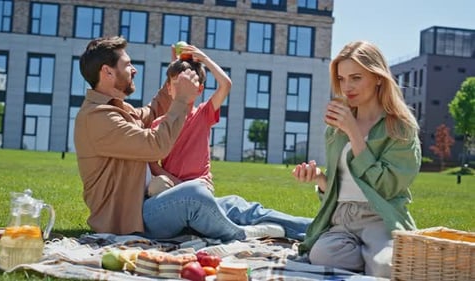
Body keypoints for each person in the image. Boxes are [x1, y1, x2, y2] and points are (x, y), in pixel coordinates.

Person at [75, 36, 312, 243]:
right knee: (194, 195)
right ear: (107, 72)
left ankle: (318, 228)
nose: (134, 69)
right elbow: (155, 146)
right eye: (127, 65)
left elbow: (155, 110)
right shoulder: (98, 118)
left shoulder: (117, 109)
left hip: (152, 204)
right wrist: (181, 99)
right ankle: (241, 234)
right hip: (129, 220)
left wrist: (175, 80)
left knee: (238, 205)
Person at [292, 41, 422, 278]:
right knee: (321, 255)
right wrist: (319, 177)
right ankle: (370, 256)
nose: (347, 87)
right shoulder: (335, 129)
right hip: (342, 219)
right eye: (341, 79)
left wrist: (354, 133)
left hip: (380, 217)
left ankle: (376, 255)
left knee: (385, 268)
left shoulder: (400, 128)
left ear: (378, 78)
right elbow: (340, 184)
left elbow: (388, 187)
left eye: (356, 78)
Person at [147, 45, 230, 196]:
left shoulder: (204, 113)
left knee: (198, 192)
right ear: (169, 88)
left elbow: (226, 84)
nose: (183, 88)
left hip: (199, 184)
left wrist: (204, 59)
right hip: (172, 184)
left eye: (190, 83)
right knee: (155, 186)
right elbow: (152, 163)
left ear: (199, 89)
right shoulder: (159, 123)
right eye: (178, 84)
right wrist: (178, 184)